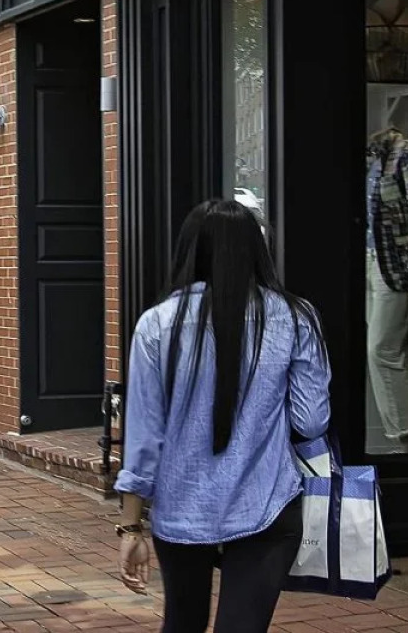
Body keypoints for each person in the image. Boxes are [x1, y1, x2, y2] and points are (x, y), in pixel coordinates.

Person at [114, 199, 331, 633]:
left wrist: (131, 527)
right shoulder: (295, 316)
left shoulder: (156, 324)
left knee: (183, 622)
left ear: (189, 251)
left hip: (182, 508)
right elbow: (311, 422)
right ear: (256, 250)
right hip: (267, 503)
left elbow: (143, 438)